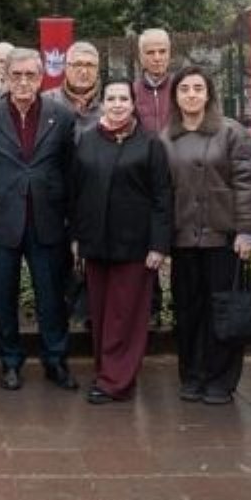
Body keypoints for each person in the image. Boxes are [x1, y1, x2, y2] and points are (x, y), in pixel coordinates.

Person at [0, 48, 77, 390]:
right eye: (16, 75)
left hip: (47, 220)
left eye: (30, 75)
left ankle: (55, 360)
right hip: (2, 220)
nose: (23, 82)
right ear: (5, 76)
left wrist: (71, 222)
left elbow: (69, 169)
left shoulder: (62, 117)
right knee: (3, 297)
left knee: (51, 297)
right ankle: (10, 362)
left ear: (42, 76)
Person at [161, 67, 251, 404]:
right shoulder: (165, 138)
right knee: (188, 312)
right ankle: (191, 375)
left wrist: (247, 231)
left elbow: (247, 184)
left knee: (222, 312)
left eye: (198, 88)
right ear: (175, 95)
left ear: (208, 94)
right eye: (184, 88)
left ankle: (220, 380)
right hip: (184, 239)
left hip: (224, 238)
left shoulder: (231, 132)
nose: (191, 94)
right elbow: (161, 193)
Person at [71, 79, 171, 403]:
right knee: (100, 314)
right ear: (103, 103)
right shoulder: (86, 141)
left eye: (123, 99)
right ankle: (107, 371)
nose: (116, 104)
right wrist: (77, 237)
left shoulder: (150, 144)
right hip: (96, 244)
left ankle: (116, 381)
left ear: (133, 104)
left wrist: (158, 245)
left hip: (135, 246)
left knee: (124, 315)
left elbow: (162, 198)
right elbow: (78, 194)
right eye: (111, 98)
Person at [46, 42, 103, 136]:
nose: (84, 71)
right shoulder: (47, 102)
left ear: (97, 69)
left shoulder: (110, 102)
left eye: (90, 65)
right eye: (77, 64)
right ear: (66, 67)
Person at [132, 29, 173, 134]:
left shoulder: (180, 89)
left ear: (169, 54)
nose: (157, 58)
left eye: (162, 51)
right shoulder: (132, 92)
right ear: (141, 57)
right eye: (150, 52)